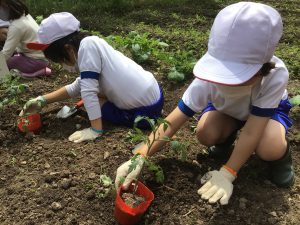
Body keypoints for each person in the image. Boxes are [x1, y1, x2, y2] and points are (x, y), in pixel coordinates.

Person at [115, 2, 294, 205]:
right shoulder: (207, 79)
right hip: (228, 112)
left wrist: (228, 172)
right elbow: (172, 122)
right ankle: (226, 140)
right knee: (205, 133)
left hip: (264, 116)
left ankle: (282, 160)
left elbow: (253, 130)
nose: (224, 82)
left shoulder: (275, 76)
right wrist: (141, 156)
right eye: (222, 74)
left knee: (269, 146)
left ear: (262, 67)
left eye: (236, 75)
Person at [20, 12, 164, 143]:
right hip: (156, 95)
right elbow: (78, 84)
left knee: (93, 102)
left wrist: (95, 130)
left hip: (144, 115)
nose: (62, 66)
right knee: (92, 93)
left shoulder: (87, 48)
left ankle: (100, 127)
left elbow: (87, 91)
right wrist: (42, 100)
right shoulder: (92, 42)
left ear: (68, 49)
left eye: (60, 60)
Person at [0, 0, 51, 78]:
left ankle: (31, 73)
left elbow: (6, 54)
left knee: (6, 63)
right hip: (43, 57)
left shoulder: (16, 26)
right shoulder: (25, 16)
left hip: (35, 61)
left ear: (7, 7)